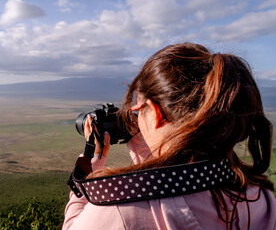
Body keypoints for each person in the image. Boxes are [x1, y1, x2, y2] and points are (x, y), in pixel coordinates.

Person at [63, 43, 276, 230]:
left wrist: (91, 170)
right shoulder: (259, 196)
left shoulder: (118, 210)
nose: (136, 117)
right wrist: (152, 157)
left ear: (156, 112)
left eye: (138, 108)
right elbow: (176, 183)